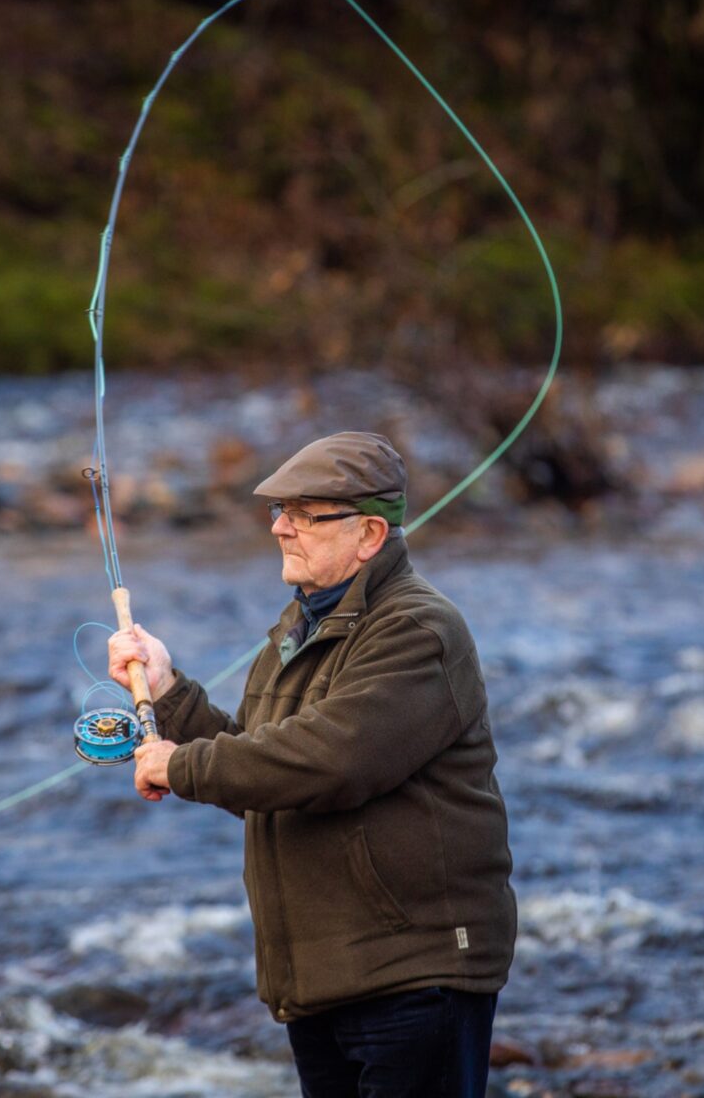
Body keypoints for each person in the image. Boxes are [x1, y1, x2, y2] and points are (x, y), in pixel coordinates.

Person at [107, 431, 517, 1098]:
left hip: (414, 973)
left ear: (370, 534)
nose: (278, 528)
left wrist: (180, 765)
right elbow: (262, 767)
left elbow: (327, 763)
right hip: (326, 977)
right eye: (278, 512)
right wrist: (169, 692)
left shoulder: (417, 632)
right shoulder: (297, 631)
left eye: (302, 514)